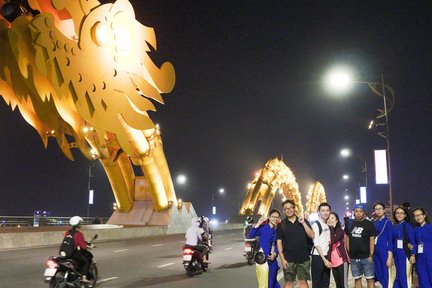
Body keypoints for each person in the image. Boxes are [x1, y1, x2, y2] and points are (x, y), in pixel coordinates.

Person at [276, 199, 314, 288]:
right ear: (283, 211)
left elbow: (312, 235)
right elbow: (279, 243)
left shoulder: (303, 221)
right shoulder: (281, 225)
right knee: (289, 283)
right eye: (286, 209)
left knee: (303, 282)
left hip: (303, 258)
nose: (288, 210)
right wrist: (282, 259)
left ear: (294, 208)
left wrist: (303, 223)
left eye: (290, 208)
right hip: (288, 259)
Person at [344, 204, 376, 288]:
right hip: (354, 257)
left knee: (370, 279)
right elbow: (347, 237)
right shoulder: (349, 223)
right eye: (356, 211)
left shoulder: (369, 224)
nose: (358, 213)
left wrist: (371, 254)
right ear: (354, 212)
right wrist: (349, 252)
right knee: (357, 279)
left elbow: (372, 239)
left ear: (364, 213)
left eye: (361, 211)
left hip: (366, 257)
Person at [249, 209, 282, 288]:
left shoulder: (278, 230)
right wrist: (259, 223)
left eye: (277, 217)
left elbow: (278, 245)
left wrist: (275, 254)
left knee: (273, 282)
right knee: (265, 284)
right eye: (273, 216)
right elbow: (251, 235)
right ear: (269, 217)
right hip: (263, 260)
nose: (275, 219)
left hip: (272, 260)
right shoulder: (263, 227)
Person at [392, 206, 416, 288]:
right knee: (398, 274)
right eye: (397, 213)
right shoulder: (395, 226)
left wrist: (413, 255)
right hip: (396, 254)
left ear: (405, 215)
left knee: (404, 276)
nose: (399, 215)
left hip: (404, 254)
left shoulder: (407, 226)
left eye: (401, 213)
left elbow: (412, 241)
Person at [372, 202, 394, 288]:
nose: (378, 211)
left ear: (384, 210)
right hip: (376, 252)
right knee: (377, 272)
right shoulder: (375, 222)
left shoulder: (388, 223)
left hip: (384, 252)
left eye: (380, 209)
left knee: (385, 274)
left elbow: (390, 240)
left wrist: (390, 256)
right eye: (376, 209)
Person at [66, 216, 93, 283]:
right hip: (74, 253)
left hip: (67, 252)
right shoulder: (79, 234)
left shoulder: (67, 232)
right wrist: (89, 247)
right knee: (86, 261)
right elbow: (83, 246)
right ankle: (84, 277)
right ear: (78, 224)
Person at [311, 202, 331, 288]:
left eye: (327, 210)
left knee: (326, 281)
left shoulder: (328, 224)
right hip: (318, 256)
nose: (325, 212)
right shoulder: (316, 224)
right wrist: (324, 259)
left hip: (327, 255)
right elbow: (316, 243)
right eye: (323, 210)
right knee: (317, 282)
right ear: (319, 211)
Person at [328, 212, 349, 288]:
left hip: (342, 260)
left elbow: (333, 240)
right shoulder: (328, 231)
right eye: (329, 218)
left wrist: (331, 228)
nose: (330, 220)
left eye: (332, 218)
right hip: (333, 262)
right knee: (338, 284)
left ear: (337, 221)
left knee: (344, 284)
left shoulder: (340, 231)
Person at [412, 207, 432, 287]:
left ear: (424, 215)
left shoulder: (430, 228)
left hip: (430, 257)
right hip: (420, 258)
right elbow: (413, 243)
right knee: (422, 278)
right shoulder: (415, 230)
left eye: (419, 215)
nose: (418, 217)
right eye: (415, 215)